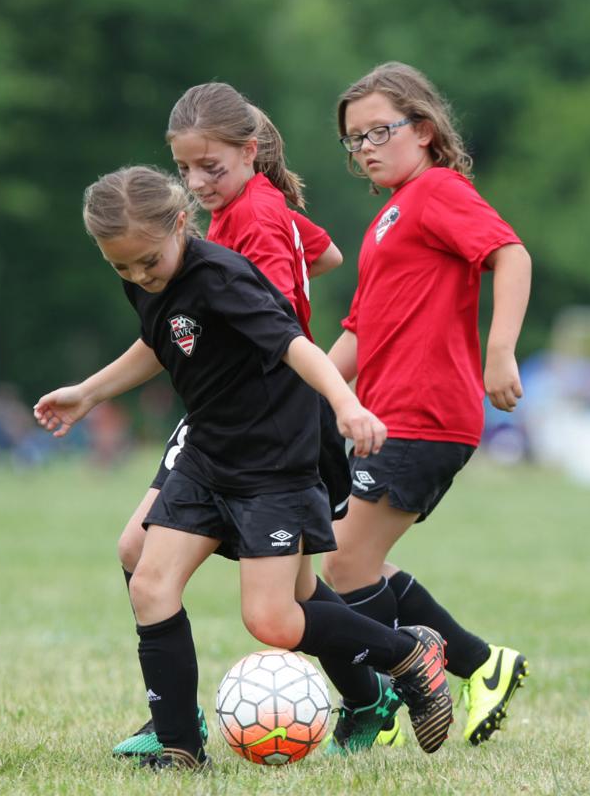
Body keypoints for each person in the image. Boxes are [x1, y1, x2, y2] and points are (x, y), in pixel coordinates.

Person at [34, 166, 454, 769]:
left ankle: (407, 656)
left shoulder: (222, 278)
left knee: (273, 620)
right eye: (121, 268)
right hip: (208, 455)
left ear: (181, 224)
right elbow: (160, 340)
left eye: (148, 261)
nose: (139, 276)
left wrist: (346, 404)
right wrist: (89, 392)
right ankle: (180, 746)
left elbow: (295, 345)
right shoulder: (147, 278)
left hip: (273, 464)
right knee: (150, 583)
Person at [97, 83, 401, 758]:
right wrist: (89, 393)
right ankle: (181, 725)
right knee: (162, 562)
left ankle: (391, 671)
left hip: (257, 419)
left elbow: (269, 323)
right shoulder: (234, 215)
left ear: (248, 152)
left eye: (210, 167)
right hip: (225, 414)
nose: (197, 181)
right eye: (185, 168)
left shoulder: (250, 222)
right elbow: (325, 255)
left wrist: (338, 397)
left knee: (274, 607)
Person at [320, 62, 533, 745]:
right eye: (355, 139)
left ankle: (423, 678)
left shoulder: (437, 190)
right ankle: (480, 664)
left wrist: (500, 351)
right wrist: (306, 389)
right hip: (385, 418)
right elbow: (360, 331)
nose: (366, 148)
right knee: (355, 565)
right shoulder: (389, 216)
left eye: (379, 131)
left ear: (425, 129)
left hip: (425, 413)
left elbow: (511, 255)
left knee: (343, 566)